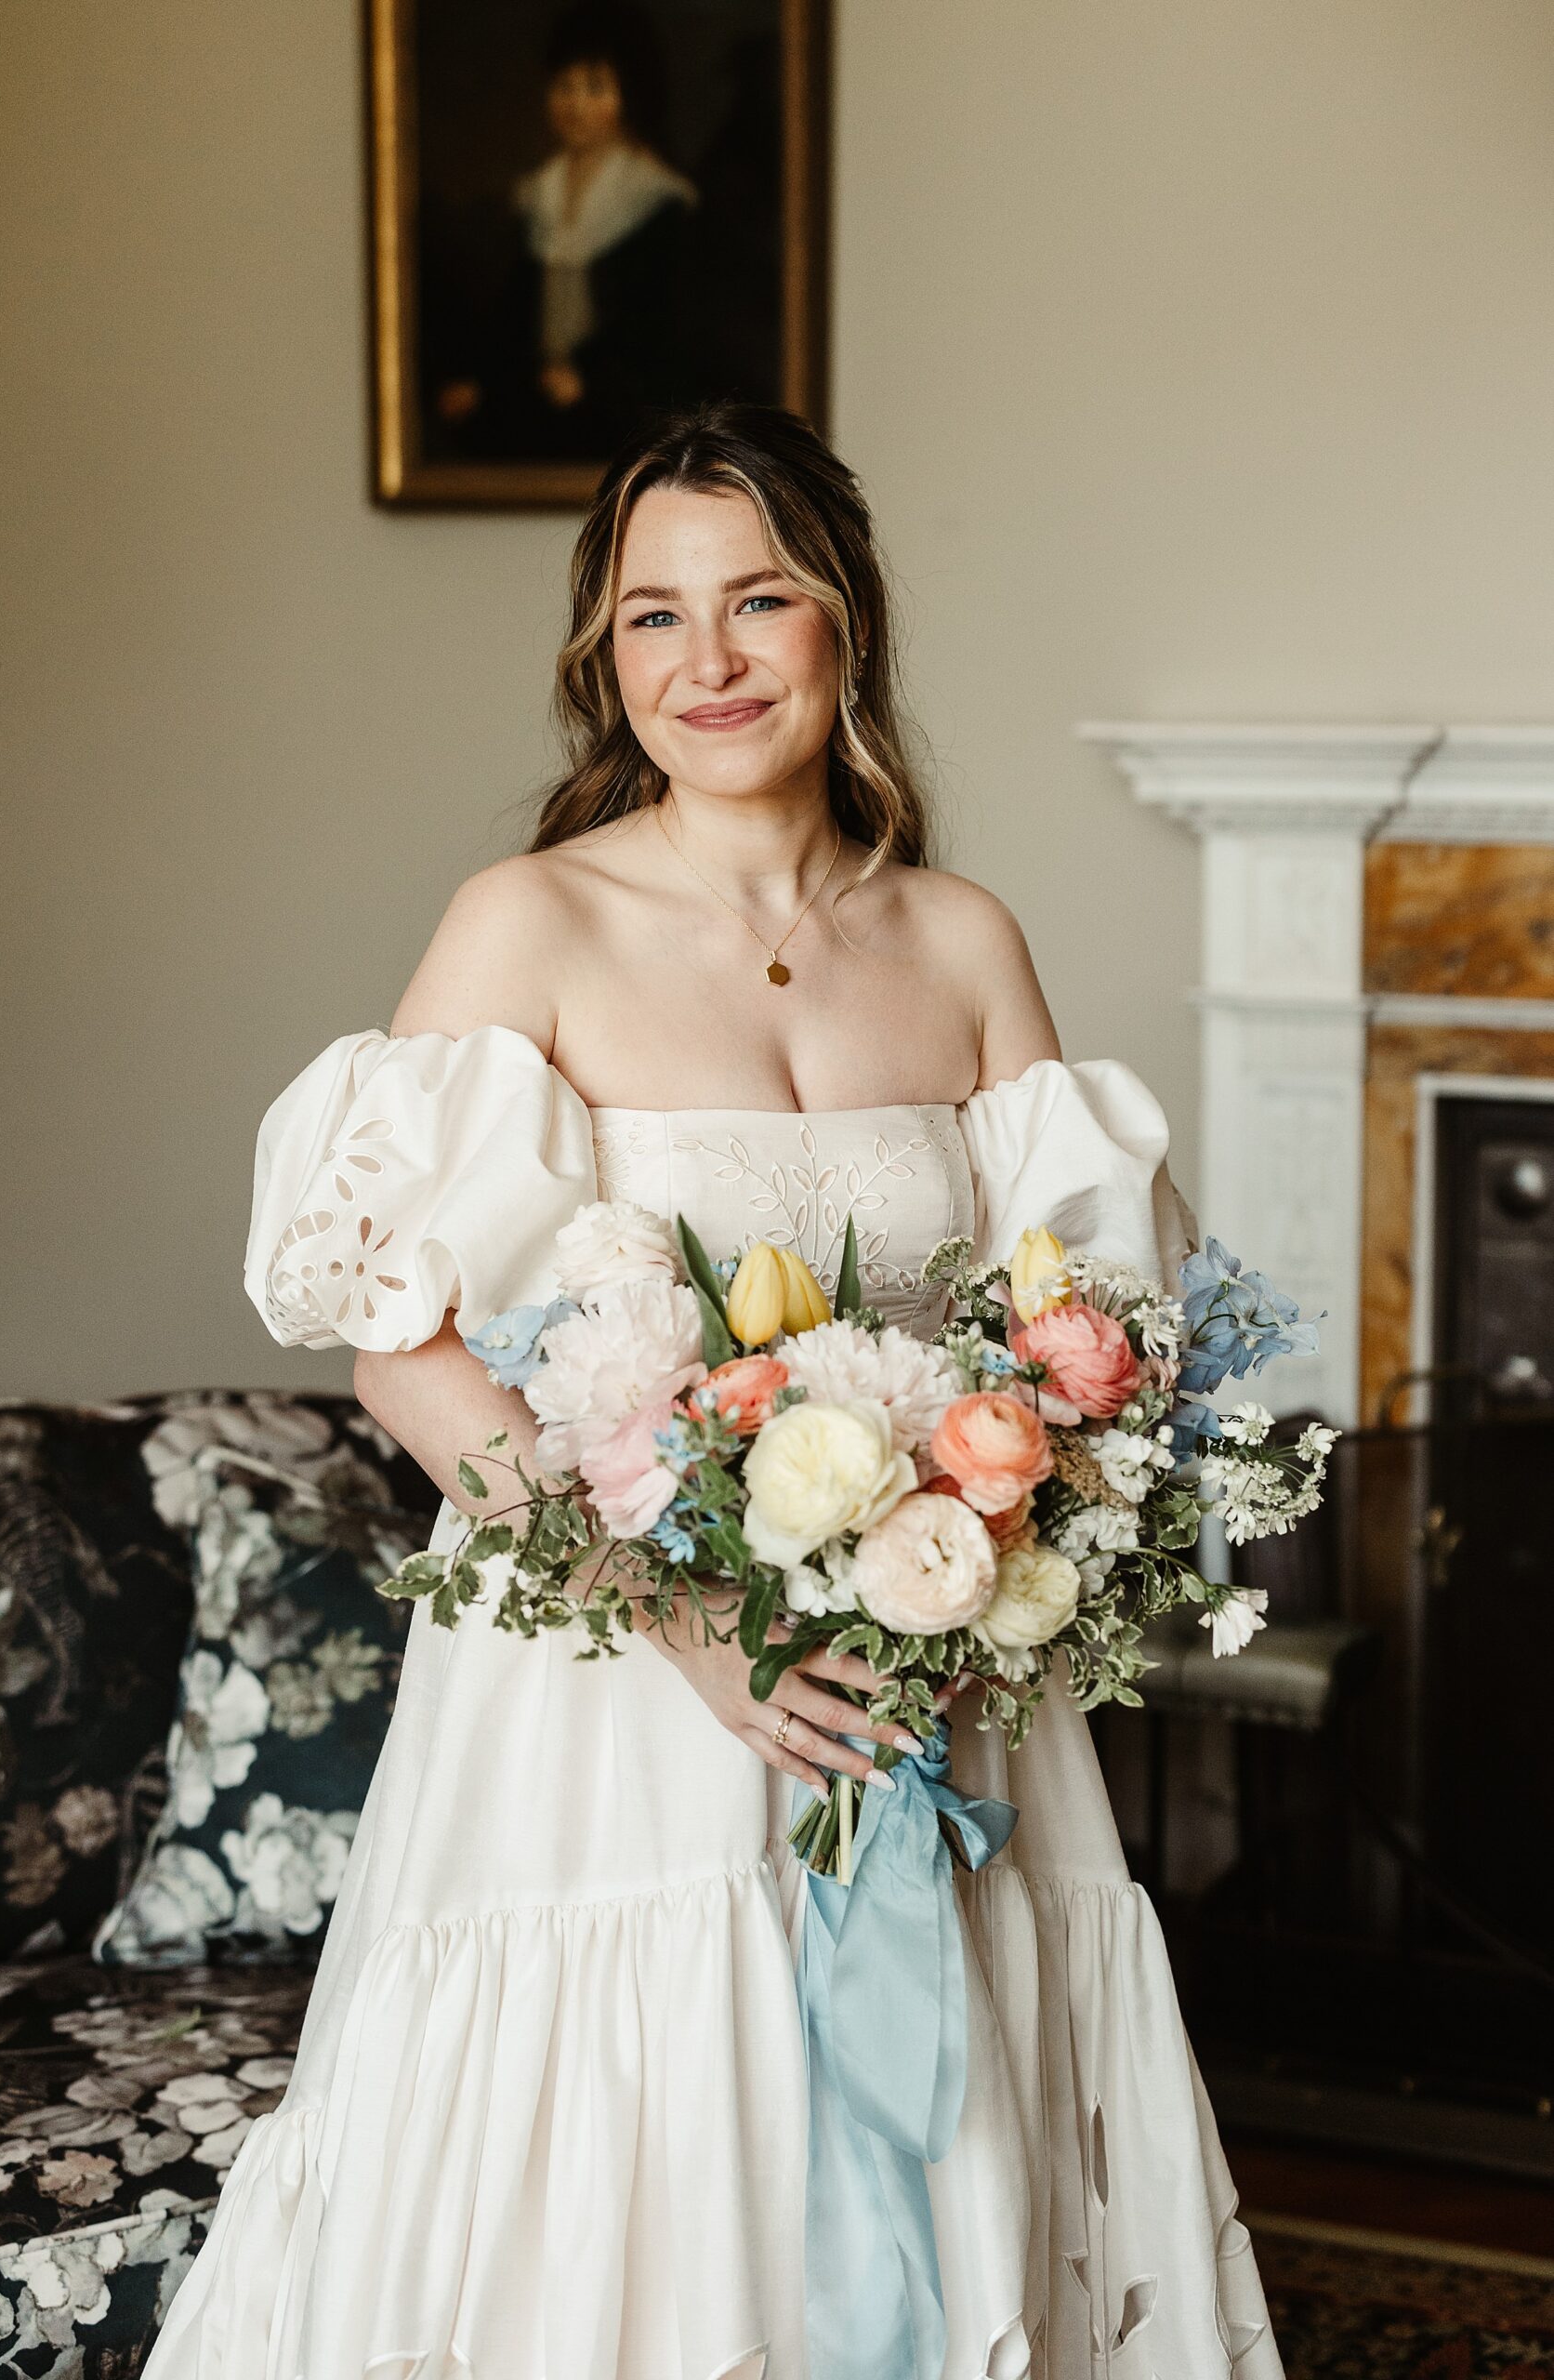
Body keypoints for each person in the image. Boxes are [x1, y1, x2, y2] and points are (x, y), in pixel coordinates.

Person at [146, 401, 1283, 2378]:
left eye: (759, 600)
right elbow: (395, 1339)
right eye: (654, 614)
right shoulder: (535, 922)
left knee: (957, 2139)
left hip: (934, 1677)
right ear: (604, 654)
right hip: (612, 1688)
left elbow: (1087, 1330)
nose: (710, 660)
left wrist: (1000, 1545)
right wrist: (684, 1623)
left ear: (844, 627)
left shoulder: (956, 937)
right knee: (658, 2165)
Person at [435, 4, 701, 464]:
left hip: (616, 397)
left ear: (628, 94)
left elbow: (652, 326)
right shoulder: (539, 192)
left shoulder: (655, 196)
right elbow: (514, 311)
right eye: (564, 86)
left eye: (595, 87)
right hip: (535, 386)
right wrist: (481, 379)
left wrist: (589, 380)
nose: (575, 104)